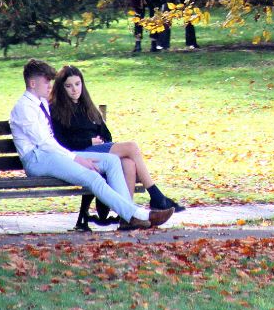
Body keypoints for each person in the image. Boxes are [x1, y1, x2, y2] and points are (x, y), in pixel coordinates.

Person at [8, 58, 171, 230]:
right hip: (37, 159)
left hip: (51, 155)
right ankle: (138, 215)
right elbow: (44, 143)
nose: (50, 85)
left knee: (111, 161)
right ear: (32, 83)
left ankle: (128, 216)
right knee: (93, 177)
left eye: (50, 80)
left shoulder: (40, 102)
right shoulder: (24, 107)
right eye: (46, 81)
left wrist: (75, 156)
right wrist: (76, 158)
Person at [50, 65, 186, 212]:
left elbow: (106, 134)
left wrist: (100, 140)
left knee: (128, 163)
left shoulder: (87, 106)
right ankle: (157, 197)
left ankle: (127, 214)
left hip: (99, 150)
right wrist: (88, 141)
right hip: (79, 154)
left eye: (77, 84)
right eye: (69, 86)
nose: (74, 89)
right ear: (61, 87)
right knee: (131, 147)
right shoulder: (57, 110)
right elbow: (62, 142)